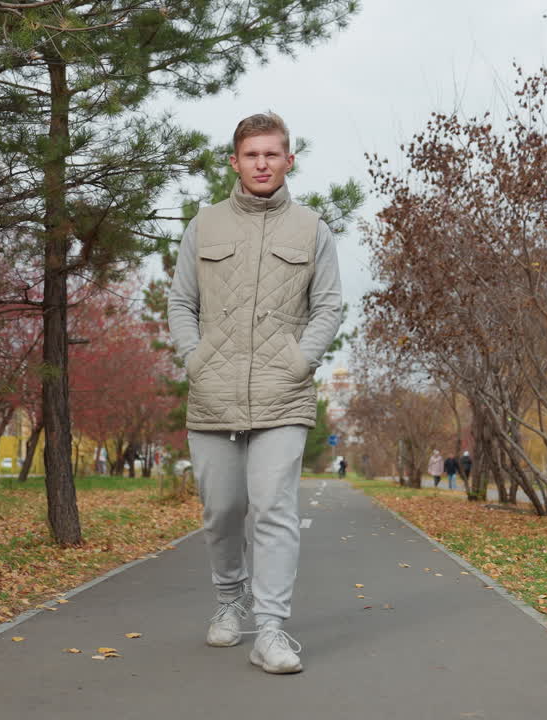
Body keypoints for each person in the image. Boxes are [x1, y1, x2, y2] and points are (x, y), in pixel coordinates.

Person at [167, 112, 342, 675]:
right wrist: (195, 358)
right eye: (251, 154)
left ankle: (271, 630)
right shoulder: (205, 225)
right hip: (213, 393)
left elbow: (329, 306)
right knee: (222, 510)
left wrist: (299, 360)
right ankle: (228, 600)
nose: (262, 163)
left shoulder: (313, 228)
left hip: (283, 394)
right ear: (235, 161)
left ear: (289, 160)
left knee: (273, 508)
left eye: (272, 154)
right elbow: (180, 302)